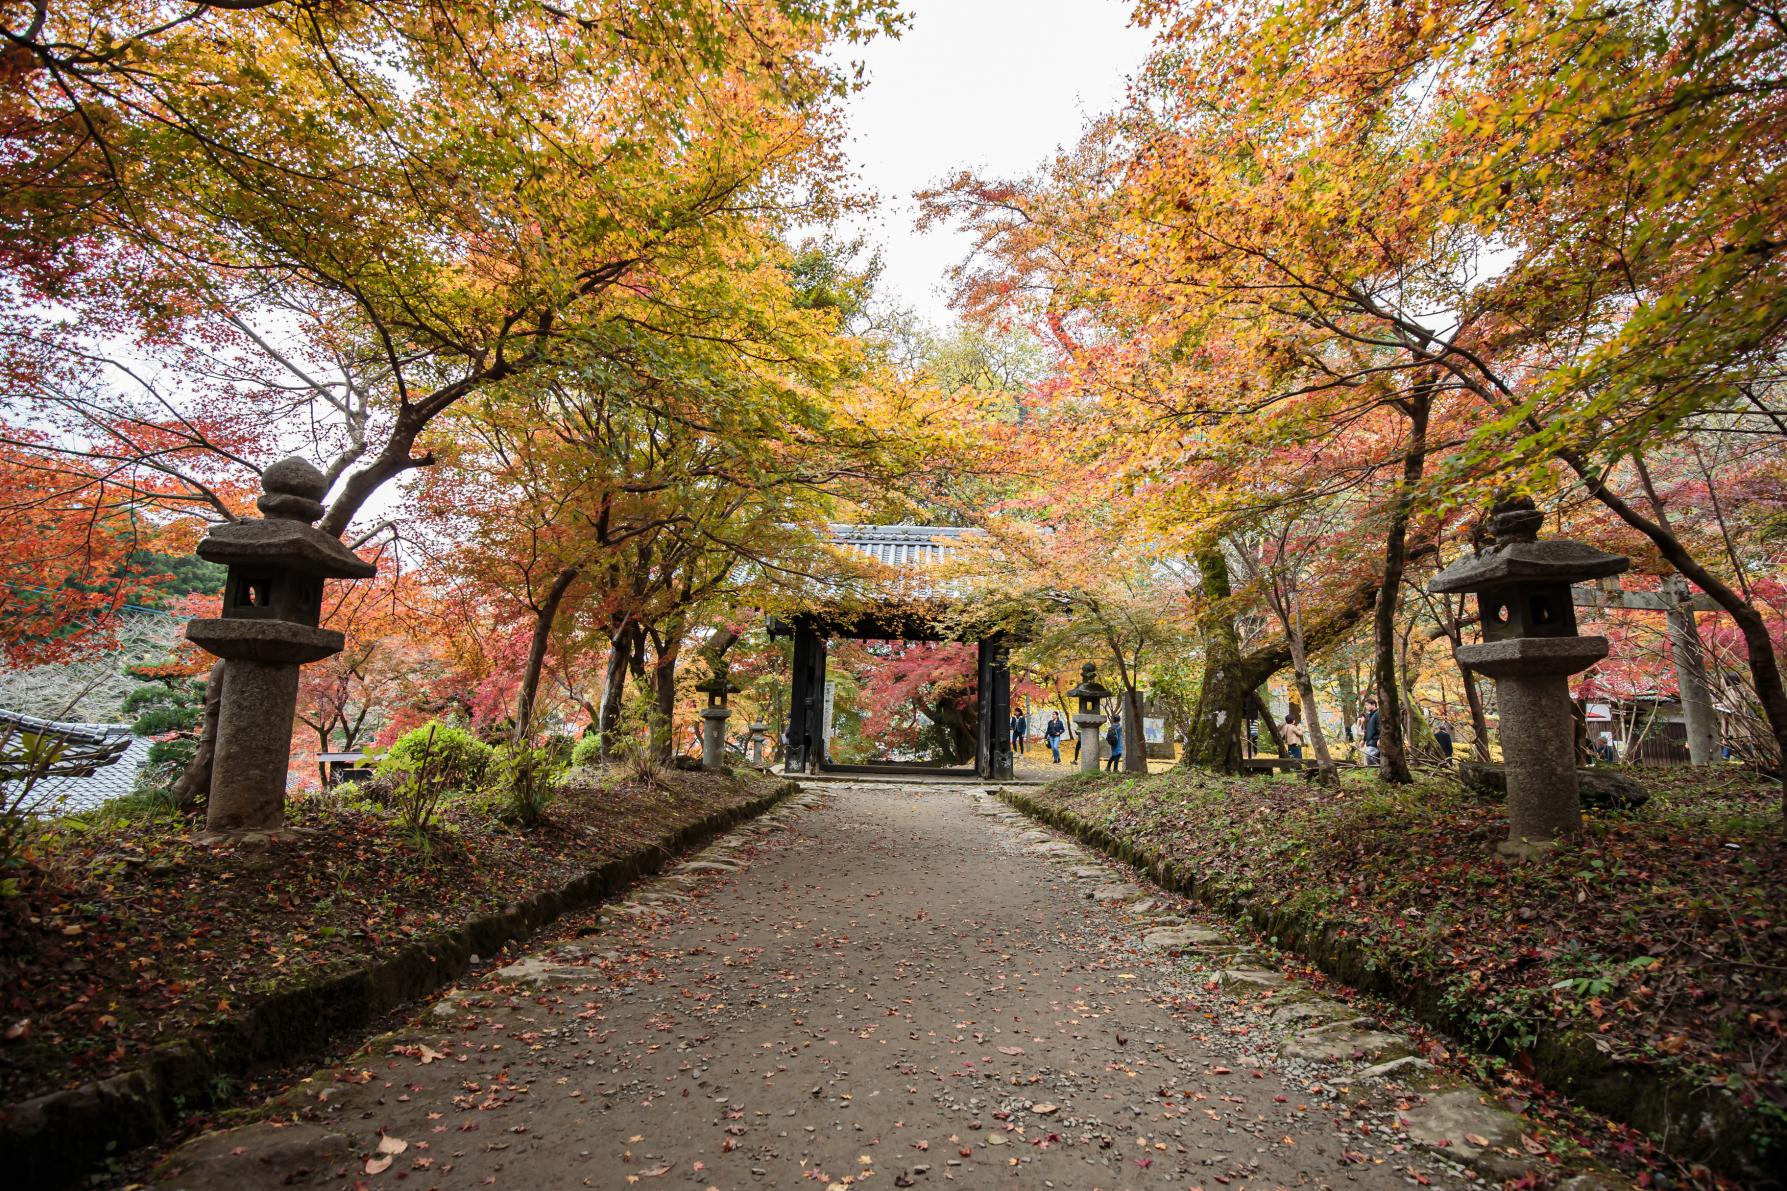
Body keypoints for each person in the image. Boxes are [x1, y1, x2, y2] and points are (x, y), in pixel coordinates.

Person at [1362, 698, 1381, 766]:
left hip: (1376, 741)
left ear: (1373, 705)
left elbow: (1381, 727)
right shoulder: (1369, 715)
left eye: (1367, 705)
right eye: (1365, 705)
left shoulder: (1378, 714)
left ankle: (1378, 770)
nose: (1366, 707)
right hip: (1370, 741)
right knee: (1370, 758)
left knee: (1371, 757)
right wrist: (1363, 740)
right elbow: (1367, 730)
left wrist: (1380, 739)